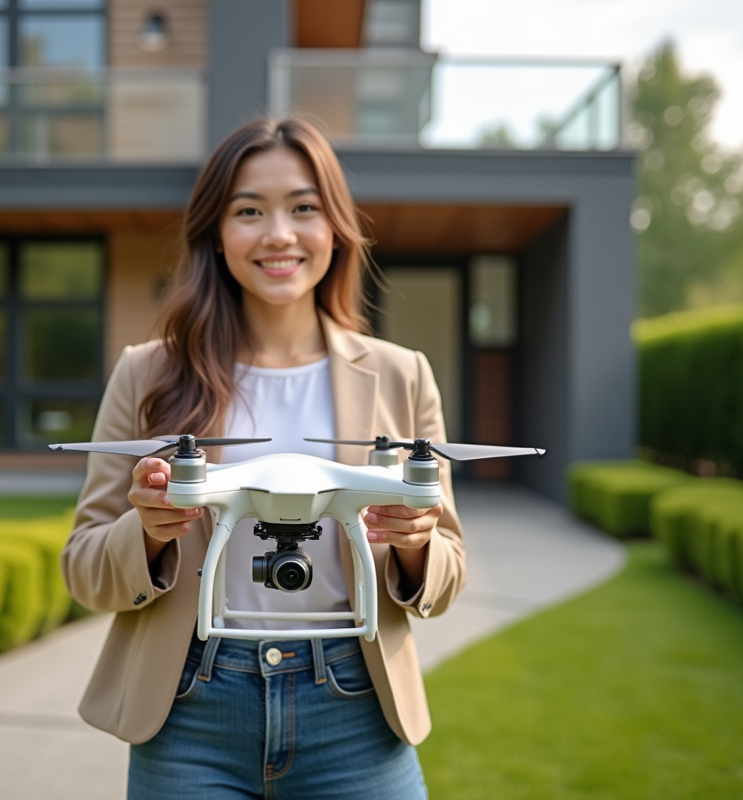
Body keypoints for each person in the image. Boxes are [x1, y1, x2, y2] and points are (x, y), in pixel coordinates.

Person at [62, 117, 465, 799]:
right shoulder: (147, 374)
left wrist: (418, 545)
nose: (279, 234)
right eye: (249, 211)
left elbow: (448, 574)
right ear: (216, 235)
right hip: (192, 710)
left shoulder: (402, 375)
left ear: (335, 228)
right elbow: (85, 569)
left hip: (356, 710)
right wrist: (149, 535)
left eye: (304, 208)